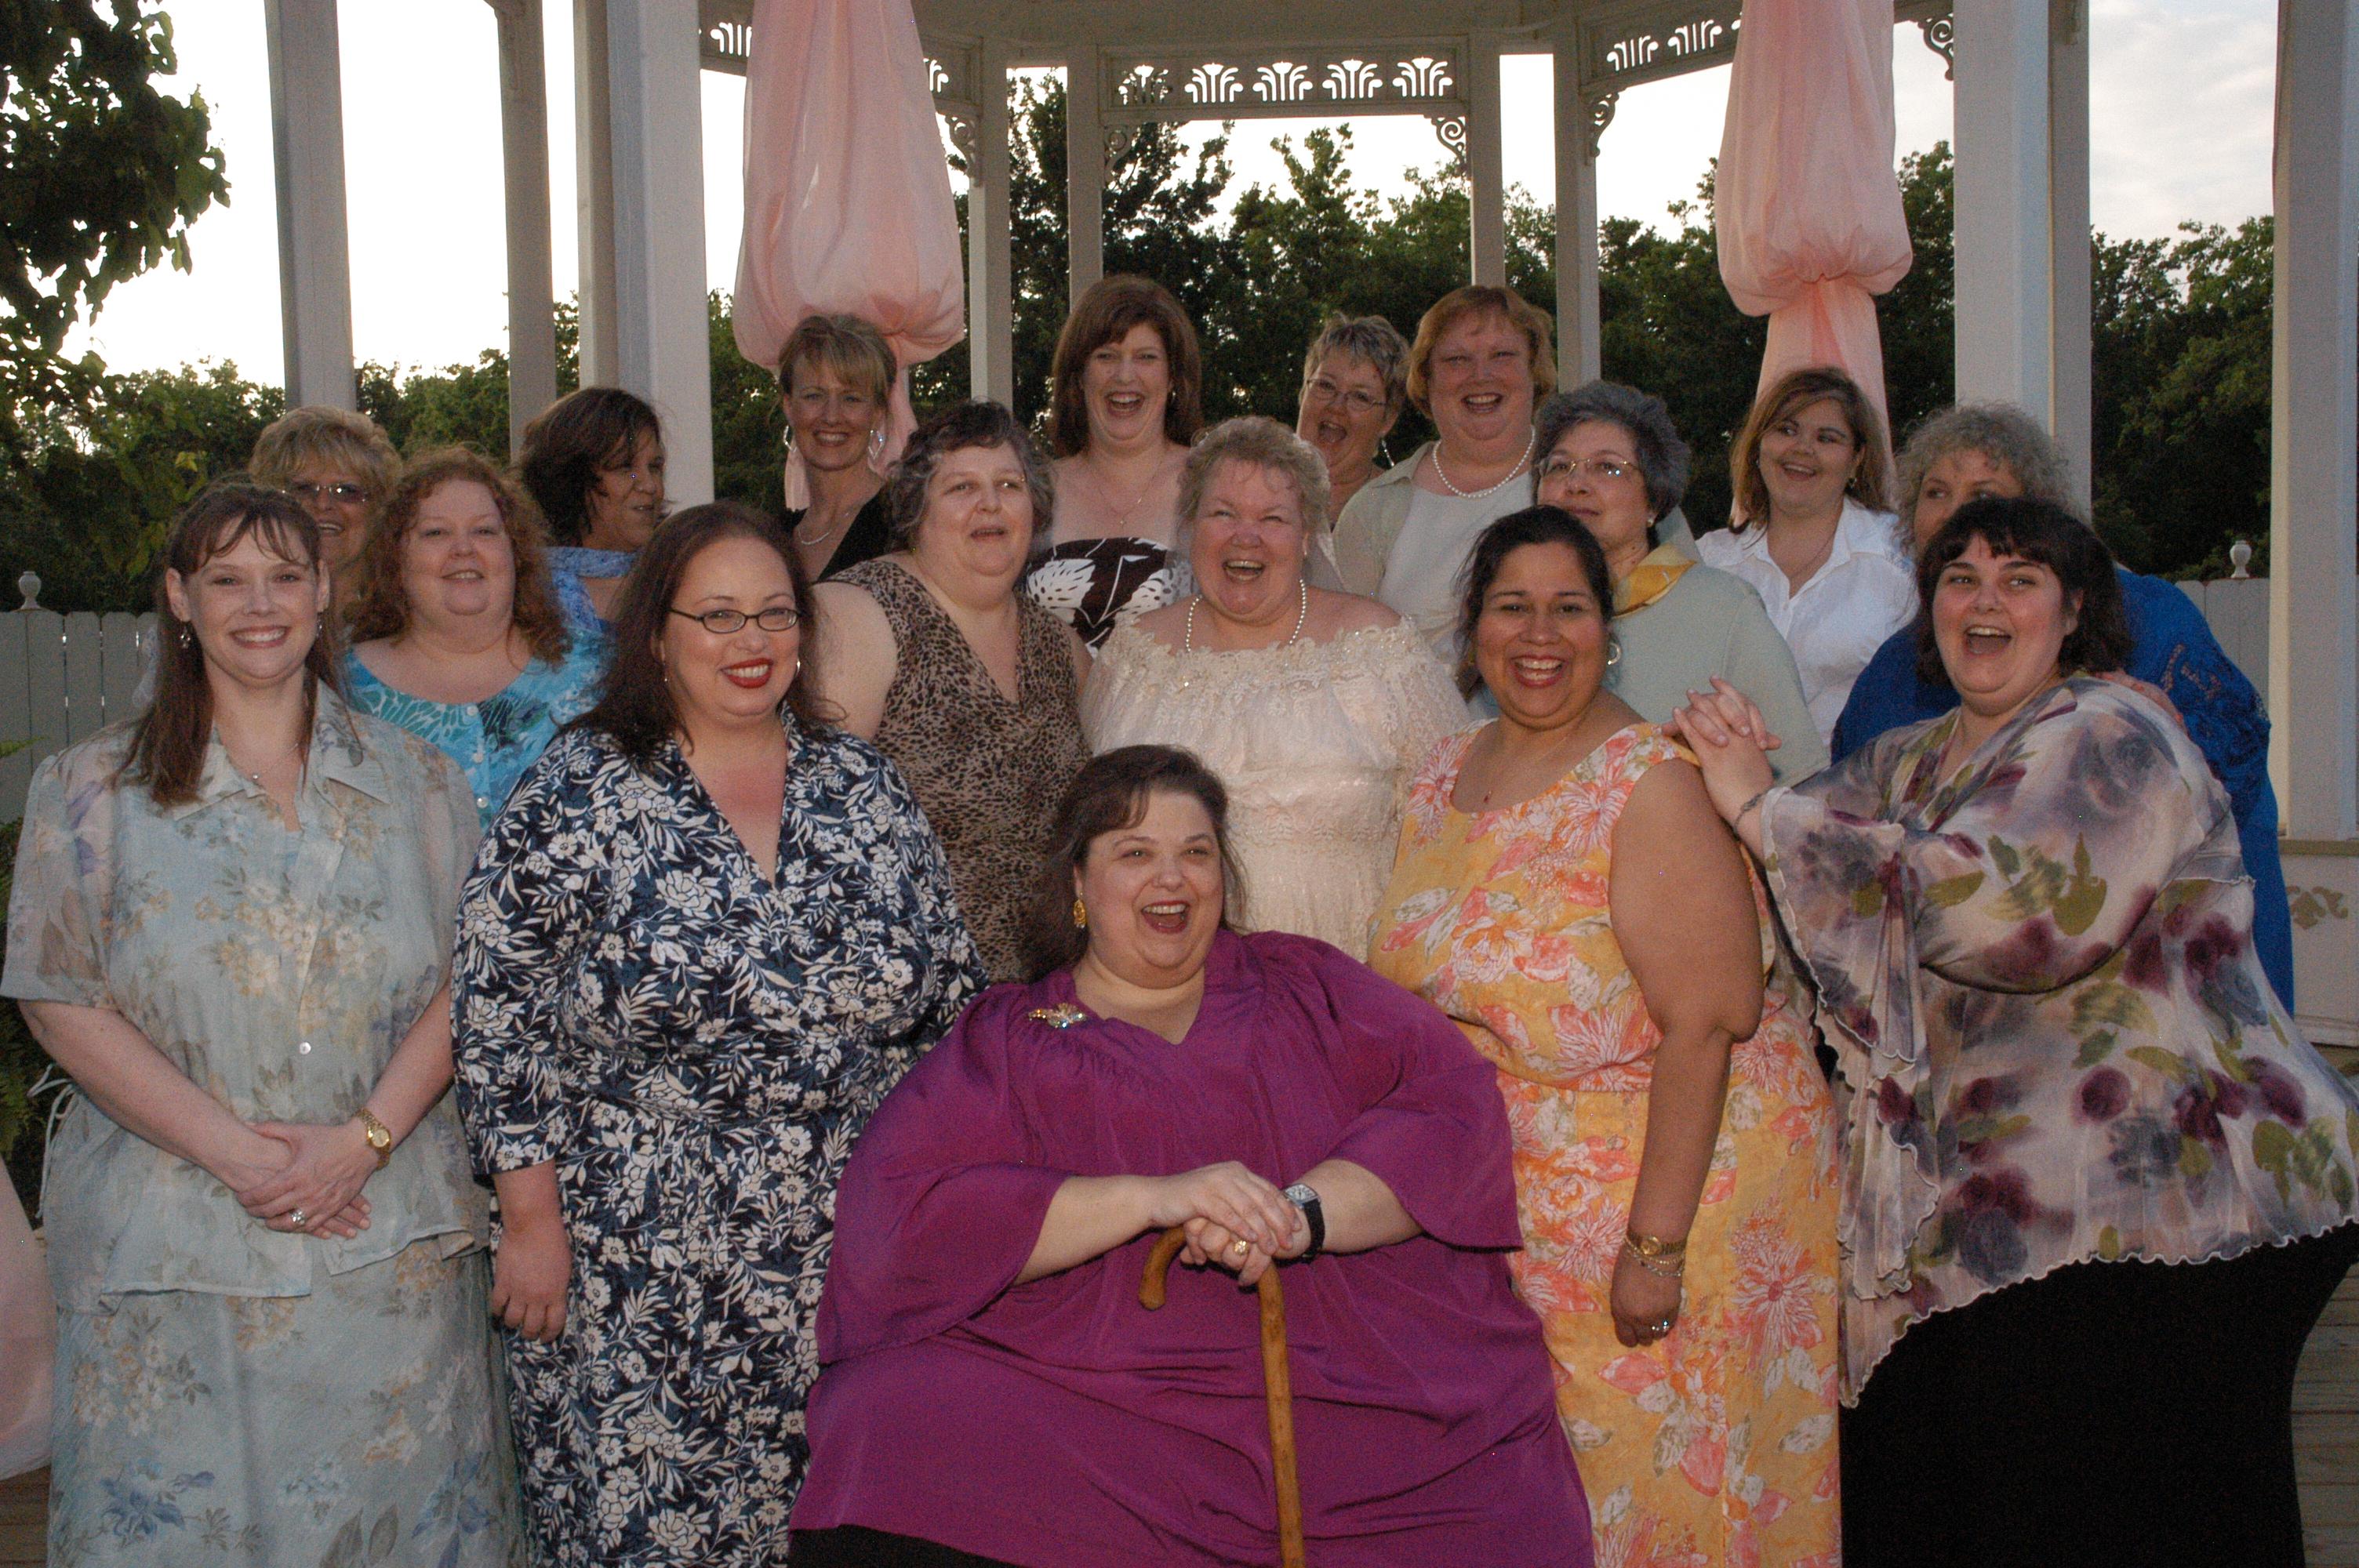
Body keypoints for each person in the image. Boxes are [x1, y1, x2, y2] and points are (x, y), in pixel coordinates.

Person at [1674, 495, 2359, 1568]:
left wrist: (1765, 812)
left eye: (2019, 577)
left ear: (2074, 609)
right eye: (1960, 577)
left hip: (2176, 1206)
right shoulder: (1908, 758)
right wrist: (1700, 786)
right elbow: (1794, 884)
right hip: (2013, 1214)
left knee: (2142, 1514)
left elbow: (2011, 913)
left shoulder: (2111, 732)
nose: (1983, 599)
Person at [791, 745, 1594, 1568]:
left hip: (1343, 1359)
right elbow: (903, 1218)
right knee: (883, 1416)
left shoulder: (1308, 983)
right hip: (1101, 1381)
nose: (1170, 879)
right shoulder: (1008, 1038)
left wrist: (1297, 1215)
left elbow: (1445, 1109)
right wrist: (1152, 1197)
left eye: (1195, 852)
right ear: (1076, 883)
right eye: (1134, 853)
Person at [450, 501, 983, 1568]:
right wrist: (530, 1217)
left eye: (775, 616)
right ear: (657, 634)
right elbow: (498, 1006)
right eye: (720, 617)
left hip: (850, 1251)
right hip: (638, 1257)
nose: (752, 644)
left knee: (840, 1528)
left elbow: (953, 1004)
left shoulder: (863, 786)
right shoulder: (584, 786)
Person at [2, 483, 521, 1565]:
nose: (260, 604)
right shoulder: (90, 791)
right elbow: (57, 998)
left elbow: (469, 981)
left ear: (324, 592)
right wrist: (239, 1156)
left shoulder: (418, 783)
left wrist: (362, 1141)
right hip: (173, 1259)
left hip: (386, 1249)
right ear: (178, 599)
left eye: (285, 576)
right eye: (227, 579)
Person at [1368, 508, 1843, 1567]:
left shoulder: (1650, 786)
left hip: (1673, 1185)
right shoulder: (1443, 774)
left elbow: (1706, 1026)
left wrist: (1653, 1252)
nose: (1542, 636)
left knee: (1659, 1499)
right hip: (1522, 1196)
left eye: (1570, 609)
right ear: (1474, 628)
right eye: (1514, 607)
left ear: (1608, 630)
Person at [1833, 401, 2295, 1009]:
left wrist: (2157, 740)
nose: (1954, 512)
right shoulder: (1897, 667)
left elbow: (2232, 772)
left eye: (1983, 492)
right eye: (1935, 492)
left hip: (2152, 980)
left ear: (2042, 511)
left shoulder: (2147, 617)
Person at [1083, 416, 1465, 958]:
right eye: (1224, 513)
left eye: (1273, 518)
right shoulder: (1132, 656)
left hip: (1347, 982)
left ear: (1307, 534)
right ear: (1190, 526)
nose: (1248, 536)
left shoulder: (1381, 649)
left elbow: (1459, 819)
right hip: (1164, 986)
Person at [811, 401, 1090, 982]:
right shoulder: (859, 616)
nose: (990, 503)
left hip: (1051, 991)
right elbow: (816, 832)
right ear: (916, 512)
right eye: (961, 486)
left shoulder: (1063, 650)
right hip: (913, 999)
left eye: (1009, 485)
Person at [1534, 382, 1826, 779]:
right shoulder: (1512, 614)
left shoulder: (1722, 608)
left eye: (1607, 467)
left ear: (1654, 501)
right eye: (1559, 466)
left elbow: (1800, 777)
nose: (1576, 484)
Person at [342, 448, 605, 821]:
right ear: (396, 560)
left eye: (484, 531)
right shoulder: (341, 690)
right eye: (436, 533)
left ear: (516, 552)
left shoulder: (602, 674)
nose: (463, 549)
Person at [1330, 285, 1549, 659]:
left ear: (1534, 372)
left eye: (1502, 355)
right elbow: (1342, 657)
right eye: (1456, 360)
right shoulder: (1373, 511)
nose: (1480, 376)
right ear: (1426, 381)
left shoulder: (1579, 485)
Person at [1698, 365, 1912, 745]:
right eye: (1786, 430)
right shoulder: (1710, 563)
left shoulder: (1900, 560)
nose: (1802, 449)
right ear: (1758, 446)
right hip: (1723, 790)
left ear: (1857, 459)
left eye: (1827, 438)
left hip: (1856, 790)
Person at [1023, 275, 1203, 648]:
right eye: (1106, 356)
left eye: (1146, 358)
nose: (1125, 376)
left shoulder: (1212, 484)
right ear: (1079, 376)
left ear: (1173, 377)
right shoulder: (1032, 490)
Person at [517, 386, 666, 633]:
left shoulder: (676, 578)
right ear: (572, 478)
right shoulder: (524, 599)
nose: (650, 485)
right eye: (624, 467)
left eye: (655, 467)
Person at [779, 312, 900, 581]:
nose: (832, 416)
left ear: (878, 411)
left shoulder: (904, 525)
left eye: (852, 399)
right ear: (788, 405)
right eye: (814, 396)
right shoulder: (773, 540)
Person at [248, 404, 402, 610]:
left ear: (379, 506)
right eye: (303, 489)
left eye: (347, 491)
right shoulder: (246, 615)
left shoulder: (409, 623)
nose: (322, 504)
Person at [1294, 313, 1408, 529]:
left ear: (1388, 420)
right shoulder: (1251, 489)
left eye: (1360, 397)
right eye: (1326, 386)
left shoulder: (1400, 515)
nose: (1337, 407)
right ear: (1303, 393)